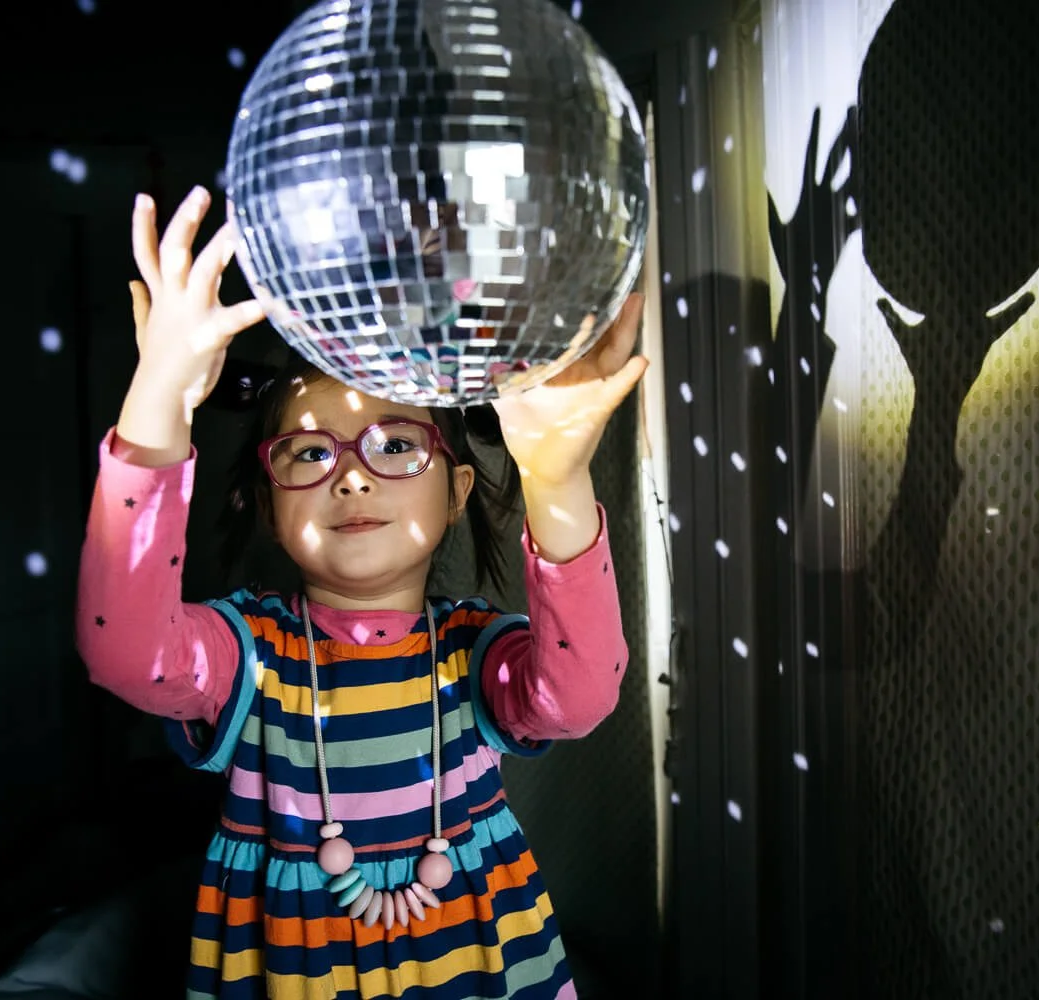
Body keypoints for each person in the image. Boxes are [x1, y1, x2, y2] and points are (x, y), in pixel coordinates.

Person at [76, 184, 647, 1000]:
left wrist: (555, 481)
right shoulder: (246, 658)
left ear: (454, 494)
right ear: (269, 508)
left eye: (395, 444)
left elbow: (580, 694)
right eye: (308, 455)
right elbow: (122, 648)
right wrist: (159, 395)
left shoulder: (474, 654)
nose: (349, 478)